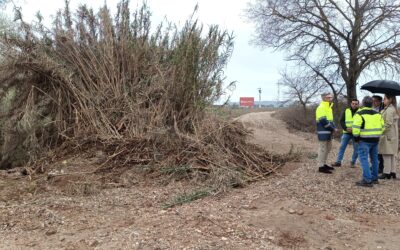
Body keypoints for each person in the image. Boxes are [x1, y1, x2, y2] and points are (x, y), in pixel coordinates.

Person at [352, 96, 384, 187]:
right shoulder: (378, 114)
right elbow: (383, 127)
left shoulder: (359, 113)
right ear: (372, 103)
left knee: (364, 159)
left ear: (363, 103)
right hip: (375, 140)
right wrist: (377, 135)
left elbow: (356, 128)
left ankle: (367, 180)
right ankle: (374, 178)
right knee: (374, 159)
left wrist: (356, 138)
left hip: (364, 140)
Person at [332, 99, 359, 167]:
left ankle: (353, 162)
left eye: (356, 104)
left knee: (356, 148)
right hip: (346, 132)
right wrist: (346, 128)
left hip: (356, 133)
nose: (354, 105)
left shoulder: (360, 112)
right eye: (353, 103)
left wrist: (355, 129)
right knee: (342, 147)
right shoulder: (346, 110)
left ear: (358, 104)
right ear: (351, 104)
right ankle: (338, 162)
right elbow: (341, 121)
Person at [316, 93, 338, 174]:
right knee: (322, 149)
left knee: (328, 148)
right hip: (323, 132)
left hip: (328, 132)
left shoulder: (329, 108)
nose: (330, 98)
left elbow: (330, 120)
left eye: (330, 97)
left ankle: (324, 164)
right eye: (328, 97)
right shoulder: (321, 107)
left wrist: (334, 127)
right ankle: (321, 166)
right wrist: (332, 128)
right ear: (323, 98)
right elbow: (322, 120)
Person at [378, 94, 399, 179]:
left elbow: (388, 123)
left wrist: (380, 131)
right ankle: (392, 172)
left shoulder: (389, 110)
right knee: (391, 154)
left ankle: (386, 173)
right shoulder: (391, 108)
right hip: (392, 135)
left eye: (385, 99)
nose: (384, 101)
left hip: (387, 135)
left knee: (386, 154)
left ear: (390, 99)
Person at [372, 95, 385, 173]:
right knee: (375, 151)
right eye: (373, 101)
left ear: (380, 101)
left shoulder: (382, 109)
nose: (374, 102)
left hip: (380, 132)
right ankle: (375, 165)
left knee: (380, 151)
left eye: (375, 101)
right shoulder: (372, 109)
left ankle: (381, 167)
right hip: (373, 132)